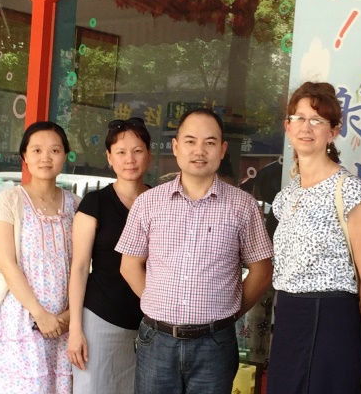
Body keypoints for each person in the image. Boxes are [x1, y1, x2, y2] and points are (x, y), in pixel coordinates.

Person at [117, 107, 273, 394]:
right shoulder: (148, 203)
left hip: (215, 343)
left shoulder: (243, 206)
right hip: (157, 340)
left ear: (223, 149)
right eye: (190, 141)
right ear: (176, 147)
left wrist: (228, 313)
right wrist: (161, 304)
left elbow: (262, 271)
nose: (199, 150)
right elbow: (129, 266)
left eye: (210, 142)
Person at [268, 81, 361, 394]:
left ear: (333, 131)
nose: (305, 128)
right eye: (299, 118)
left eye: (317, 121)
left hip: (330, 318)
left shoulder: (348, 191)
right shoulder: (287, 194)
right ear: (287, 126)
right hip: (288, 319)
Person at [0, 121, 79, 394]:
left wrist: (71, 314)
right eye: (36, 150)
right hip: (19, 319)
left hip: (63, 323)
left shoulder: (76, 205)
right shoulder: (8, 200)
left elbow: (82, 265)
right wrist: (39, 314)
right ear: (24, 156)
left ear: (65, 155)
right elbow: (8, 264)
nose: (45, 157)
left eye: (54, 150)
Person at [67, 117, 151, 394]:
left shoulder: (160, 202)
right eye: (121, 152)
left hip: (150, 325)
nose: (130, 159)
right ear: (109, 158)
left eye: (137, 151)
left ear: (148, 154)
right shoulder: (95, 204)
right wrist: (76, 329)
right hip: (100, 320)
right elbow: (79, 268)